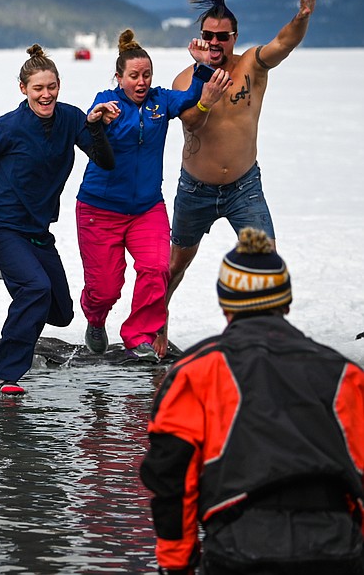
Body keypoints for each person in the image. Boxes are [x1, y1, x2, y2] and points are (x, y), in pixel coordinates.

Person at [140, 227, 364, 574]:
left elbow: (172, 478)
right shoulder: (344, 374)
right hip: (336, 549)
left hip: (240, 549)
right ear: (285, 300)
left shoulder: (194, 373)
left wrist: (177, 564)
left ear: (225, 302)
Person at [158, 0, 321, 356]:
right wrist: (204, 87)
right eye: (208, 36)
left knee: (265, 259)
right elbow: (191, 124)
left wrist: (301, 17)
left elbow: (284, 43)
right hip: (196, 189)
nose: (215, 43)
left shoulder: (251, 65)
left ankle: (265, 336)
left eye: (223, 37)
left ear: (234, 37)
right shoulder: (186, 79)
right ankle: (158, 326)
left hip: (244, 187)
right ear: (200, 38)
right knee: (176, 263)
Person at [0, 44, 118, 397]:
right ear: (23, 89)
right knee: (35, 289)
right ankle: (5, 376)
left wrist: (93, 128)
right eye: (38, 88)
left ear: (59, 85)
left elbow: (105, 162)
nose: (46, 95)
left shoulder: (73, 119)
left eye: (51, 87)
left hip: (38, 230)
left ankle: (8, 268)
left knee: (60, 313)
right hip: (0, 226)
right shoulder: (9, 127)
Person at [75, 30, 230, 361]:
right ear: (119, 78)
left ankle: (139, 336)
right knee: (105, 288)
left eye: (146, 75)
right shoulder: (108, 100)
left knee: (157, 267)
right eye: (134, 76)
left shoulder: (161, 101)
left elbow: (189, 98)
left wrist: (201, 67)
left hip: (146, 208)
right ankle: (95, 316)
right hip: (99, 209)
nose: (141, 81)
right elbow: (94, 115)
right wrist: (97, 119)